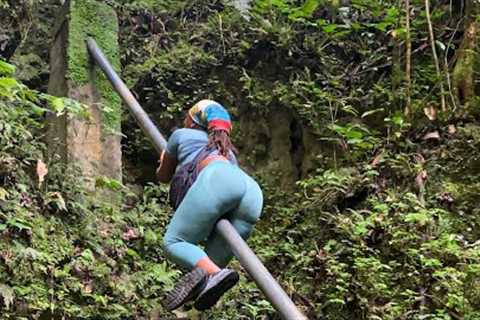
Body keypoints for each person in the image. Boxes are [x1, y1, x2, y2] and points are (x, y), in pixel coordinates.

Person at [156, 99, 263, 311]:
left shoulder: (181, 135)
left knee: (174, 242)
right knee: (208, 267)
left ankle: (213, 275)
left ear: (194, 119)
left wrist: (163, 159)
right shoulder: (227, 151)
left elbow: (163, 176)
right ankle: (202, 285)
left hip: (218, 181)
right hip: (252, 192)